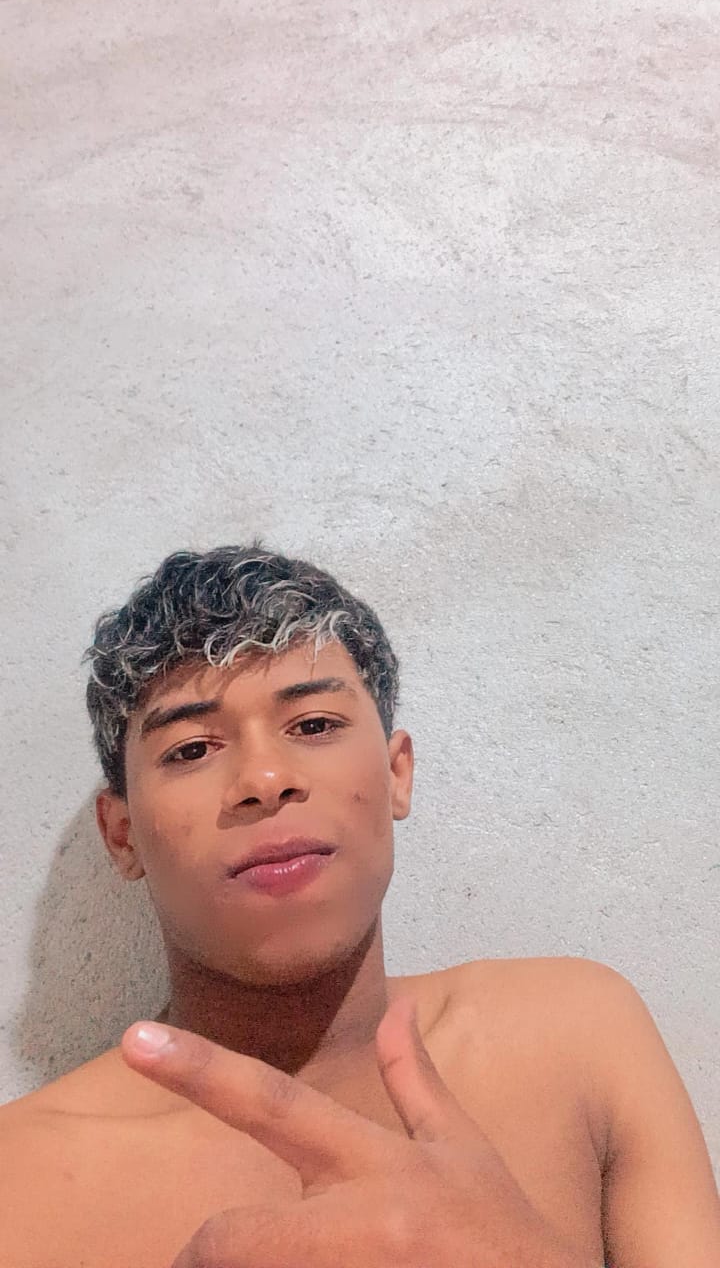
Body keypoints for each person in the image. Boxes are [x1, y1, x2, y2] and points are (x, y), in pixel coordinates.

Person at [0, 543, 718, 1268]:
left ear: (397, 774)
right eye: (191, 749)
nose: (265, 779)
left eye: (313, 725)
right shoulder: (20, 1184)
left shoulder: (578, 1035)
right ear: (122, 836)